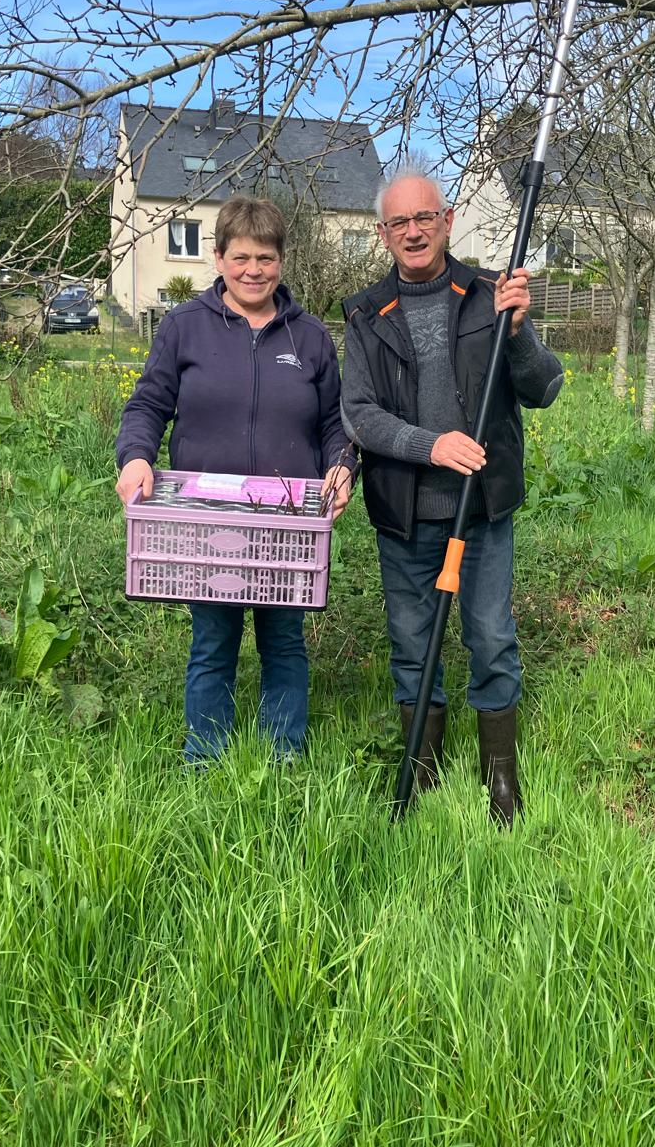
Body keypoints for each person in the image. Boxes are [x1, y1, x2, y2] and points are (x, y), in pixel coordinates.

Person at [341, 171, 562, 826]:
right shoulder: (363, 314)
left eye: (425, 217)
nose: (413, 231)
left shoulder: (492, 295)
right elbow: (359, 415)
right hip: (405, 511)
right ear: (383, 234)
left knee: (490, 636)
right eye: (399, 222)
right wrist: (429, 445)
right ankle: (422, 768)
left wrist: (518, 331)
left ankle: (501, 777)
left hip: (483, 509)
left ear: (449, 219)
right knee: (413, 644)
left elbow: (544, 389)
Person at [115, 196, 355, 763]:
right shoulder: (183, 328)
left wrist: (343, 466)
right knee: (213, 641)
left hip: (286, 521)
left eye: (266, 258)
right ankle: (206, 757)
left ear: (281, 261)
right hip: (207, 519)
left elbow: (334, 424)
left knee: (284, 642)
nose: (254, 270)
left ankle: (283, 756)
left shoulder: (311, 337)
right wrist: (136, 456)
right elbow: (148, 405)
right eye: (241, 257)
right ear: (218, 257)